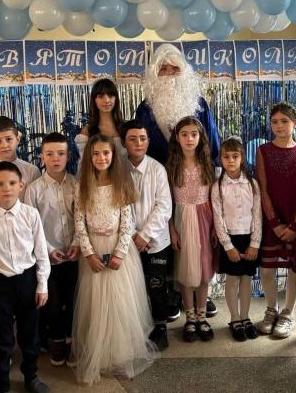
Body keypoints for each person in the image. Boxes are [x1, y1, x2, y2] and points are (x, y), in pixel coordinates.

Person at [136, 44, 220, 318]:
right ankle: (174, 293)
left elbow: (212, 144)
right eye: (164, 69)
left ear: (184, 72)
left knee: (199, 244)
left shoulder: (199, 104)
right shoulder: (146, 109)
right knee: (168, 241)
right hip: (158, 186)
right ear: (155, 73)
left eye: (175, 69)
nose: (170, 74)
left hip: (194, 184)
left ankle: (201, 292)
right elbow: (138, 147)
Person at [72, 134, 157, 385]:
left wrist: (120, 253)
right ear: (89, 157)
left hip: (120, 250)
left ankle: (120, 355)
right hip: (94, 249)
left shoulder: (121, 182)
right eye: (96, 153)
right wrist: (88, 253)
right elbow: (79, 223)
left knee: (120, 304)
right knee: (97, 304)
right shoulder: (82, 186)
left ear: (113, 155)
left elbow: (127, 222)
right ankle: (101, 356)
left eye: (106, 153)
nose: (101, 158)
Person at [0, 162, 51, 393]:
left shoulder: (31, 214)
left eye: (11, 183)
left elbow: (41, 253)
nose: (6, 188)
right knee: (2, 338)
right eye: (0, 184)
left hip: (27, 282)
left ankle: (31, 376)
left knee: (30, 335)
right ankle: (2, 384)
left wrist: (42, 285)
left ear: (21, 186)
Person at [256, 102, 296, 339]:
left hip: (294, 219)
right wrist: (274, 223)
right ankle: (272, 309)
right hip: (271, 220)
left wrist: (295, 226)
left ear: (295, 123)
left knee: (294, 268)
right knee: (267, 269)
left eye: (284, 121)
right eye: (275, 122)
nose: (279, 126)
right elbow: (262, 188)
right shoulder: (263, 151)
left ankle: (288, 313)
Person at [24, 132, 79, 367]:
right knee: (53, 303)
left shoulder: (76, 184)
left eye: (61, 153)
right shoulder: (34, 189)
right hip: (48, 257)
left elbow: (83, 219)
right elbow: (30, 226)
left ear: (68, 156)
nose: (55, 158)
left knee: (74, 301)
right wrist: (47, 249)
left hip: (74, 254)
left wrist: (77, 243)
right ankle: (56, 340)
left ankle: (72, 341)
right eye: (50, 153)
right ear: (42, 157)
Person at [122, 120, 173, 350]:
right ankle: (137, 328)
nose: (138, 143)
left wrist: (145, 235)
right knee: (132, 286)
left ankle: (160, 327)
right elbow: (118, 206)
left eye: (142, 138)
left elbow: (164, 207)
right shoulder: (118, 170)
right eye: (132, 139)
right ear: (124, 142)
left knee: (156, 284)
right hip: (127, 240)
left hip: (156, 241)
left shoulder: (157, 169)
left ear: (149, 141)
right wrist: (133, 235)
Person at [167, 117, 217, 342]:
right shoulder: (171, 167)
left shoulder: (207, 164)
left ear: (201, 137)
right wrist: (171, 229)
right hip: (181, 219)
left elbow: (215, 198)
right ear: (177, 137)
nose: (189, 139)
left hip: (205, 218)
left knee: (204, 266)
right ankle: (189, 317)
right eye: (184, 134)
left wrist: (215, 226)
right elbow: (167, 202)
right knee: (185, 267)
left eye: (194, 134)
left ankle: (202, 316)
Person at [211, 136, 261, 342]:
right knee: (232, 281)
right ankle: (234, 319)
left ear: (242, 157)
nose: (231, 160)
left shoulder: (252, 184)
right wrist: (227, 246)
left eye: (235, 156)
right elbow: (218, 218)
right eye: (226, 157)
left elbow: (257, 215)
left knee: (246, 280)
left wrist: (255, 244)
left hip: (248, 238)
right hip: (230, 239)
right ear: (221, 159)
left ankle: (245, 317)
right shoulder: (217, 187)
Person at [0, 115, 41, 220]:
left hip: (26, 227)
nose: (4, 145)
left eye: (8, 139)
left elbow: (38, 206)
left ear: (17, 139)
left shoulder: (32, 171)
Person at [75, 78, 127, 165]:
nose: (106, 100)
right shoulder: (87, 131)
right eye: (101, 96)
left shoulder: (126, 128)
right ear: (94, 100)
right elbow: (84, 164)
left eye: (110, 95)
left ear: (116, 99)